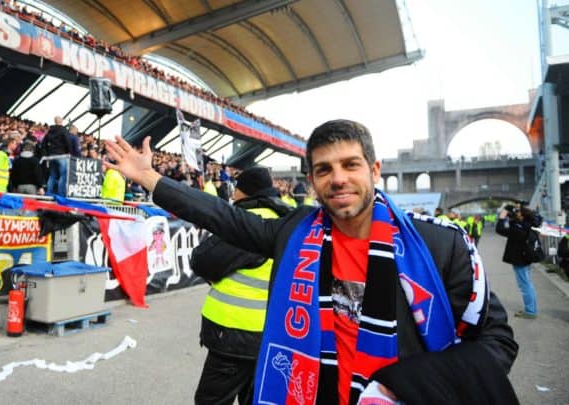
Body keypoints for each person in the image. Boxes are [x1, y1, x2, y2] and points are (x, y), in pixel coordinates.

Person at [104, 119, 517, 404]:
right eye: (324, 169)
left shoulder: (440, 247)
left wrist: (411, 387)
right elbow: (225, 217)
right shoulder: (295, 232)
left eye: (350, 165)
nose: (338, 178)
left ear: (374, 170)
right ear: (313, 180)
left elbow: (497, 341)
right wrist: (151, 179)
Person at [190, 166, 292, 405]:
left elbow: (202, 259)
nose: (233, 194)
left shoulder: (249, 222)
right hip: (273, 334)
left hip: (235, 335)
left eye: (237, 189)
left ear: (245, 193)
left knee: (211, 400)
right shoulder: (287, 218)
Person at [495, 204, 540, 319]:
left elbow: (500, 230)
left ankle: (530, 311)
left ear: (522, 215)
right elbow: (514, 224)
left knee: (525, 285)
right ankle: (532, 309)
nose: (516, 213)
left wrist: (501, 217)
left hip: (520, 260)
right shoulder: (525, 224)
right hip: (524, 258)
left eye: (518, 212)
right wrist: (511, 212)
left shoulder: (519, 228)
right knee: (527, 284)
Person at [41, 116, 73, 196]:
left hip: (52, 156)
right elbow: (68, 142)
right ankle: (60, 193)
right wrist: (69, 152)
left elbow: (43, 143)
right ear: (61, 121)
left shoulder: (50, 131)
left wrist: (46, 154)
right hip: (62, 155)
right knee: (63, 175)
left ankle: (48, 193)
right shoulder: (63, 130)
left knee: (52, 175)